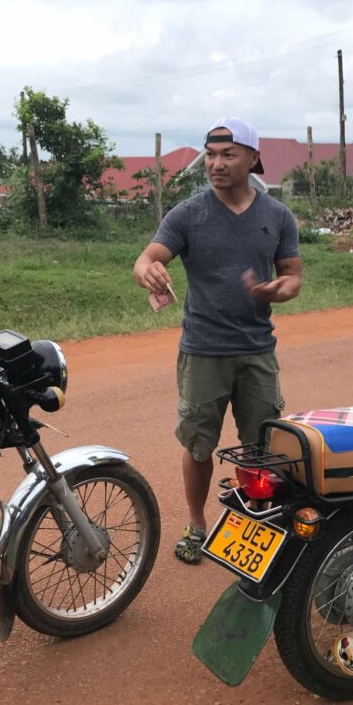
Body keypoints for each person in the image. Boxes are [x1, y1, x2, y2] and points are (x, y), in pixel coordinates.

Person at [133, 117, 302, 563]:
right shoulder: (188, 214)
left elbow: (293, 277)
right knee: (198, 445)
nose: (216, 164)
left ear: (253, 158)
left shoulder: (277, 216)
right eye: (210, 155)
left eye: (228, 155)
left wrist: (277, 291)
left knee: (260, 446)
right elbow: (146, 258)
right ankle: (197, 525)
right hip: (203, 350)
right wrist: (147, 270)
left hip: (257, 349)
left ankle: (254, 523)